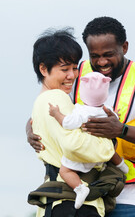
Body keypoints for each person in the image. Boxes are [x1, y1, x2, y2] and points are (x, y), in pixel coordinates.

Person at [27, 17, 135, 217]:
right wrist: (30, 130)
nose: (101, 62)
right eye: (94, 55)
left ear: (124, 47)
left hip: (127, 197)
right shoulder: (77, 73)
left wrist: (121, 130)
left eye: (108, 54)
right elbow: (51, 108)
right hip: (81, 195)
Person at [29, 27, 120, 217]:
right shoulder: (57, 98)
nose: (72, 75)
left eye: (74, 68)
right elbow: (75, 145)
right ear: (43, 69)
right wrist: (110, 144)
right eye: (64, 70)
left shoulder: (42, 101)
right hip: (73, 205)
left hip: (58, 203)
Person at [48, 71, 129, 210]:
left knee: (65, 171)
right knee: (110, 149)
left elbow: (67, 123)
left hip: (86, 153)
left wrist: (56, 114)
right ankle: (122, 165)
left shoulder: (81, 112)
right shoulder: (106, 109)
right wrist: (116, 115)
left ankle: (80, 188)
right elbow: (115, 116)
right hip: (102, 155)